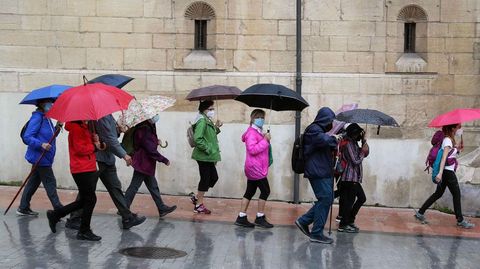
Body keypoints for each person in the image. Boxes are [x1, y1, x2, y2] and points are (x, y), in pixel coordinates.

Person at [65, 114, 146, 230]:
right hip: (98, 159)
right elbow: (109, 138)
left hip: (107, 158)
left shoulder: (108, 115)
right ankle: (74, 218)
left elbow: (111, 134)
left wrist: (119, 130)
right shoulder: (101, 116)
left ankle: (127, 217)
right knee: (87, 191)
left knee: (115, 187)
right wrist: (124, 155)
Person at [46, 121, 103, 241]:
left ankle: (56, 215)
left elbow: (87, 145)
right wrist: (94, 147)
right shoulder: (76, 129)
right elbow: (79, 149)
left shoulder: (84, 127)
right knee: (90, 199)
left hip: (88, 166)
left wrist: (95, 141)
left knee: (84, 200)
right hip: (81, 168)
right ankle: (84, 230)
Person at [414, 123, 475, 229]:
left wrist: (458, 150)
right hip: (447, 172)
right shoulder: (447, 141)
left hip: (446, 172)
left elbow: (450, 154)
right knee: (456, 195)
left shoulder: (449, 140)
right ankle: (460, 220)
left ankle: (420, 213)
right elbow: (443, 158)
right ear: (452, 128)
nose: (458, 130)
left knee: (438, 194)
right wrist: (440, 173)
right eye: (457, 127)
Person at [295, 107, 340, 244]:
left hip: (322, 170)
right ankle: (316, 232)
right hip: (317, 171)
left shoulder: (318, 130)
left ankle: (304, 221)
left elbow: (324, 144)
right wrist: (334, 139)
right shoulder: (314, 130)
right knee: (325, 198)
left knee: (328, 198)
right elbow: (325, 141)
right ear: (325, 119)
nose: (331, 123)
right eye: (330, 120)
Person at [124, 115, 177, 218]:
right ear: (148, 117)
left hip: (146, 163)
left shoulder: (148, 126)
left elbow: (148, 143)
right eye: (154, 115)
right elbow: (150, 149)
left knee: (153, 186)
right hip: (143, 162)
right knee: (135, 186)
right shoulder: (144, 128)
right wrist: (164, 160)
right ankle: (124, 208)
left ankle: (161, 208)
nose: (156, 116)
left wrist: (156, 141)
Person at [17, 98, 63, 216]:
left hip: (44, 156)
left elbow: (51, 136)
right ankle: (59, 209)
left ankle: (23, 207)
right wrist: (41, 144)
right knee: (50, 182)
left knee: (33, 183)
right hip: (40, 157)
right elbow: (27, 137)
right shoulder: (37, 118)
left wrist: (58, 126)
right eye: (48, 102)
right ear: (41, 104)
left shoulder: (46, 118)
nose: (51, 104)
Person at [234, 109, 273, 229]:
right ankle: (260, 217)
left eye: (263, 117)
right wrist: (265, 141)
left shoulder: (258, 131)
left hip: (255, 167)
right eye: (259, 117)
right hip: (256, 168)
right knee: (265, 191)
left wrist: (264, 138)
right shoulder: (251, 133)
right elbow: (252, 149)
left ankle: (241, 217)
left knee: (250, 191)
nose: (261, 119)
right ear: (252, 118)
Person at [189, 100, 222, 214]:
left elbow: (209, 136)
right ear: (204, 109)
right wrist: (208, 149)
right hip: (203, 155)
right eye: (210, 109)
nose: (212, 111)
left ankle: (197, 198)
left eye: (213, 109)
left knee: (213, 178)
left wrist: (216, 127)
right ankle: (199, 205)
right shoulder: (202, 121)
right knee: (205, 179)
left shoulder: (206, 120)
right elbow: (198, 138)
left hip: (207, 156)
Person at [337, 123, 369, 233]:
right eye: (357, 133)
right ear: (353, 133)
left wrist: (364, 141)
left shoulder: (354, 143)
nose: (358, 135)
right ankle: (343, 224)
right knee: (349, 202)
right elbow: (355, 161)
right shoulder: (349, 144)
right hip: (349, 177)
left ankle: (350, 220)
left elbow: (365, 153)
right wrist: (362, 153)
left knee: (361, 198)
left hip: (354, 178)